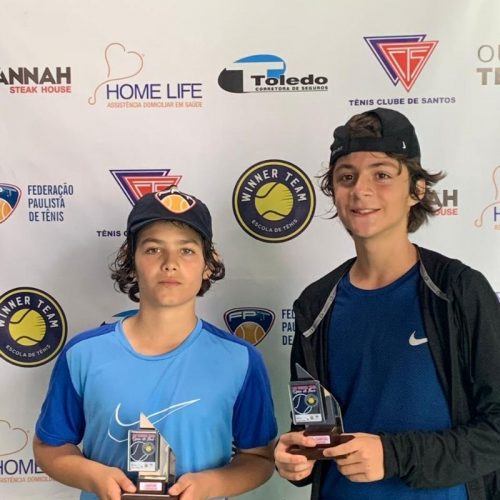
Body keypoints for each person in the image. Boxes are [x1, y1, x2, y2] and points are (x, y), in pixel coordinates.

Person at [274, 108, 500, 499]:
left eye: (381, 174)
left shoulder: (458, 290)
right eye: (346, 177)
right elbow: (314, 429)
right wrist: (295, 458)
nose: (360, 190)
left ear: (417, 190)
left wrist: (394, 455)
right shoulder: (315, 305)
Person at [34, 186, 277, 500]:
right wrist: (94, 476)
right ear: (131, 260)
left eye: (186, 250)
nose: (170, 263)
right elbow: (50, 446)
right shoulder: (83, 354)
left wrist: (212, 485)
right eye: (152, 249)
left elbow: (259, 457)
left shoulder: (240, 360)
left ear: (208, 264)